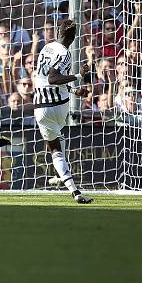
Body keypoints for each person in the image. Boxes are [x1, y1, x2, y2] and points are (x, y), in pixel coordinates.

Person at [33, 19, 93, 204]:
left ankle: (68, 182)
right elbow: (53, 79)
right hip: (58, 106)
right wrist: (78, 76)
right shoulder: (65, 53)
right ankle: (71, 185)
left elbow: (45, 79)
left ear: (58, 32)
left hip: (40, 106)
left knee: (56, 146)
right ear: (74, 37)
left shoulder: (46, 47)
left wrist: (75, 90)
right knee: (58, 147)